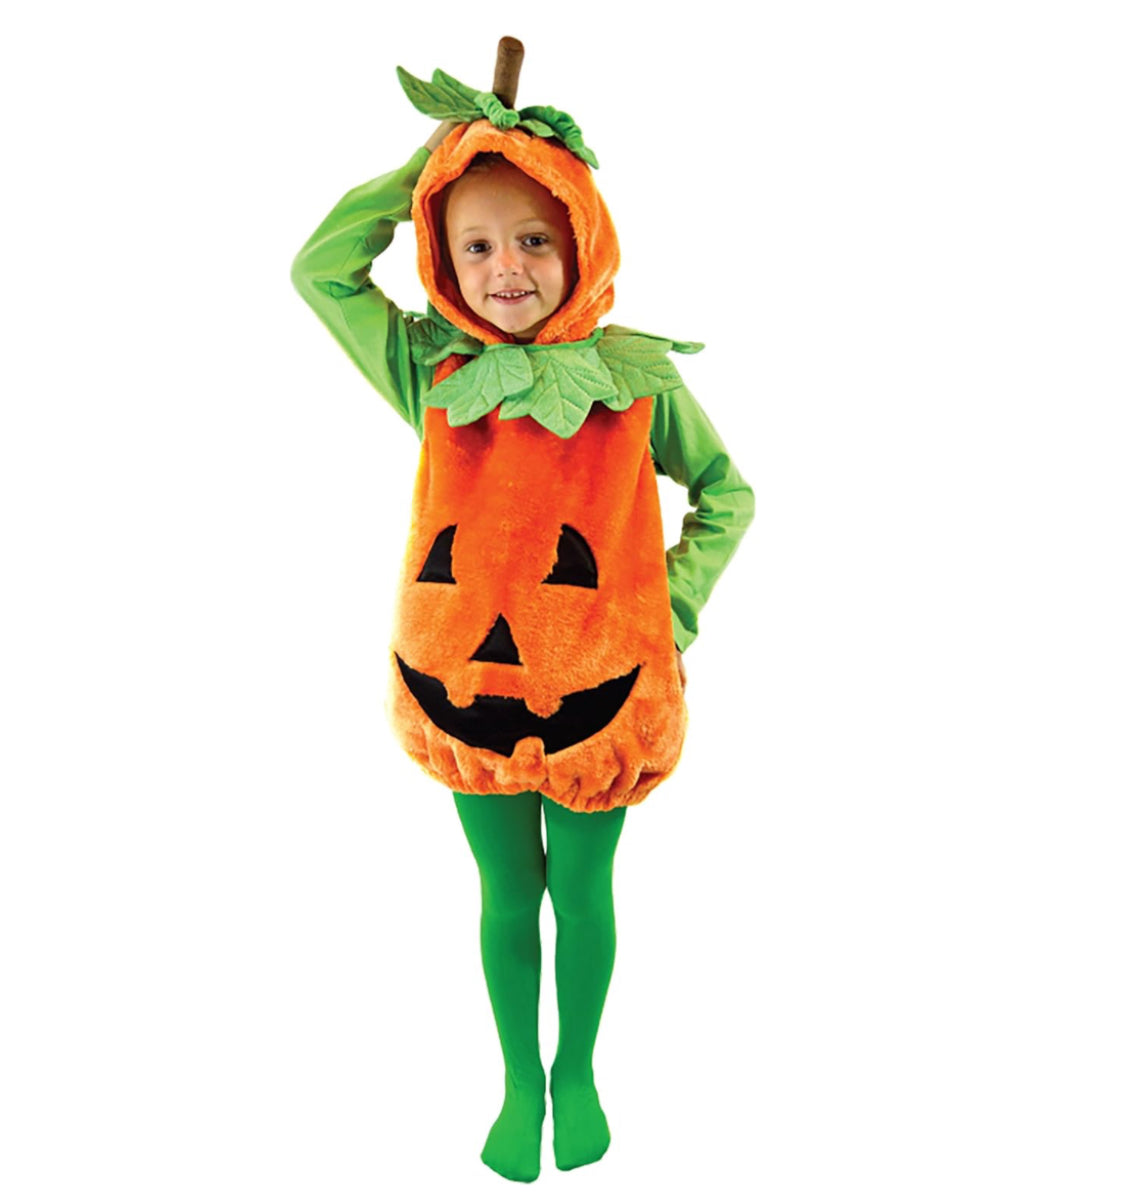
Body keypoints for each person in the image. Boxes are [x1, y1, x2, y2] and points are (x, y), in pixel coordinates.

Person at [291, 70, 754, 1182]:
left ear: (583, 237)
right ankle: (516, 1081)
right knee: (505, 893)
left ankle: (577, 1072)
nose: (508, 268)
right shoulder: (434, 372)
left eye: (536, 240)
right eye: (477, 245)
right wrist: (427, 169)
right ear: (441, 258)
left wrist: (666, 613)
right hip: (466, 685)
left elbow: (727, 494)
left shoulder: (634, 382)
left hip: (603, 694)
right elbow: (321, 271)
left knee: (583, 891)